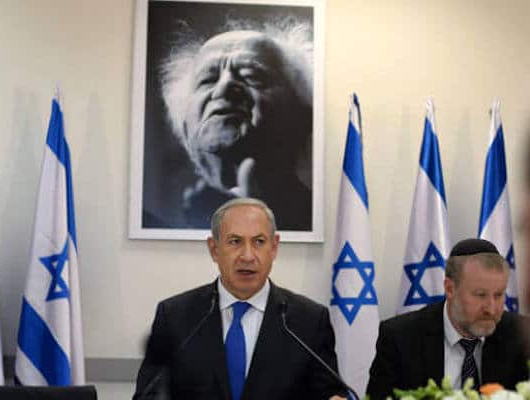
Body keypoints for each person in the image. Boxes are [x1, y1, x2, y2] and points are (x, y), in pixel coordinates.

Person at [133, 198, 345, 400]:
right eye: (235, 241)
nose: (247, 256)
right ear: (214, 249)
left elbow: (328, 392)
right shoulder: (174, 317)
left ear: (274, 247)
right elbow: (149, 394)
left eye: (259, 242)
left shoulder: (309, 321)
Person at [158, 21, 313, 230]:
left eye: (251, 76)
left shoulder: (315, 221)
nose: (225, 86)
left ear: (301, 117)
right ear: (184, 129)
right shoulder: (161, 223)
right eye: (207, 80)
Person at [366, 238, 530, 400]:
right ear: (450, 289)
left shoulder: (522, 337)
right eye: (480, 295)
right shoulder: (401, 338)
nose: (491, 309)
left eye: (499, 295)